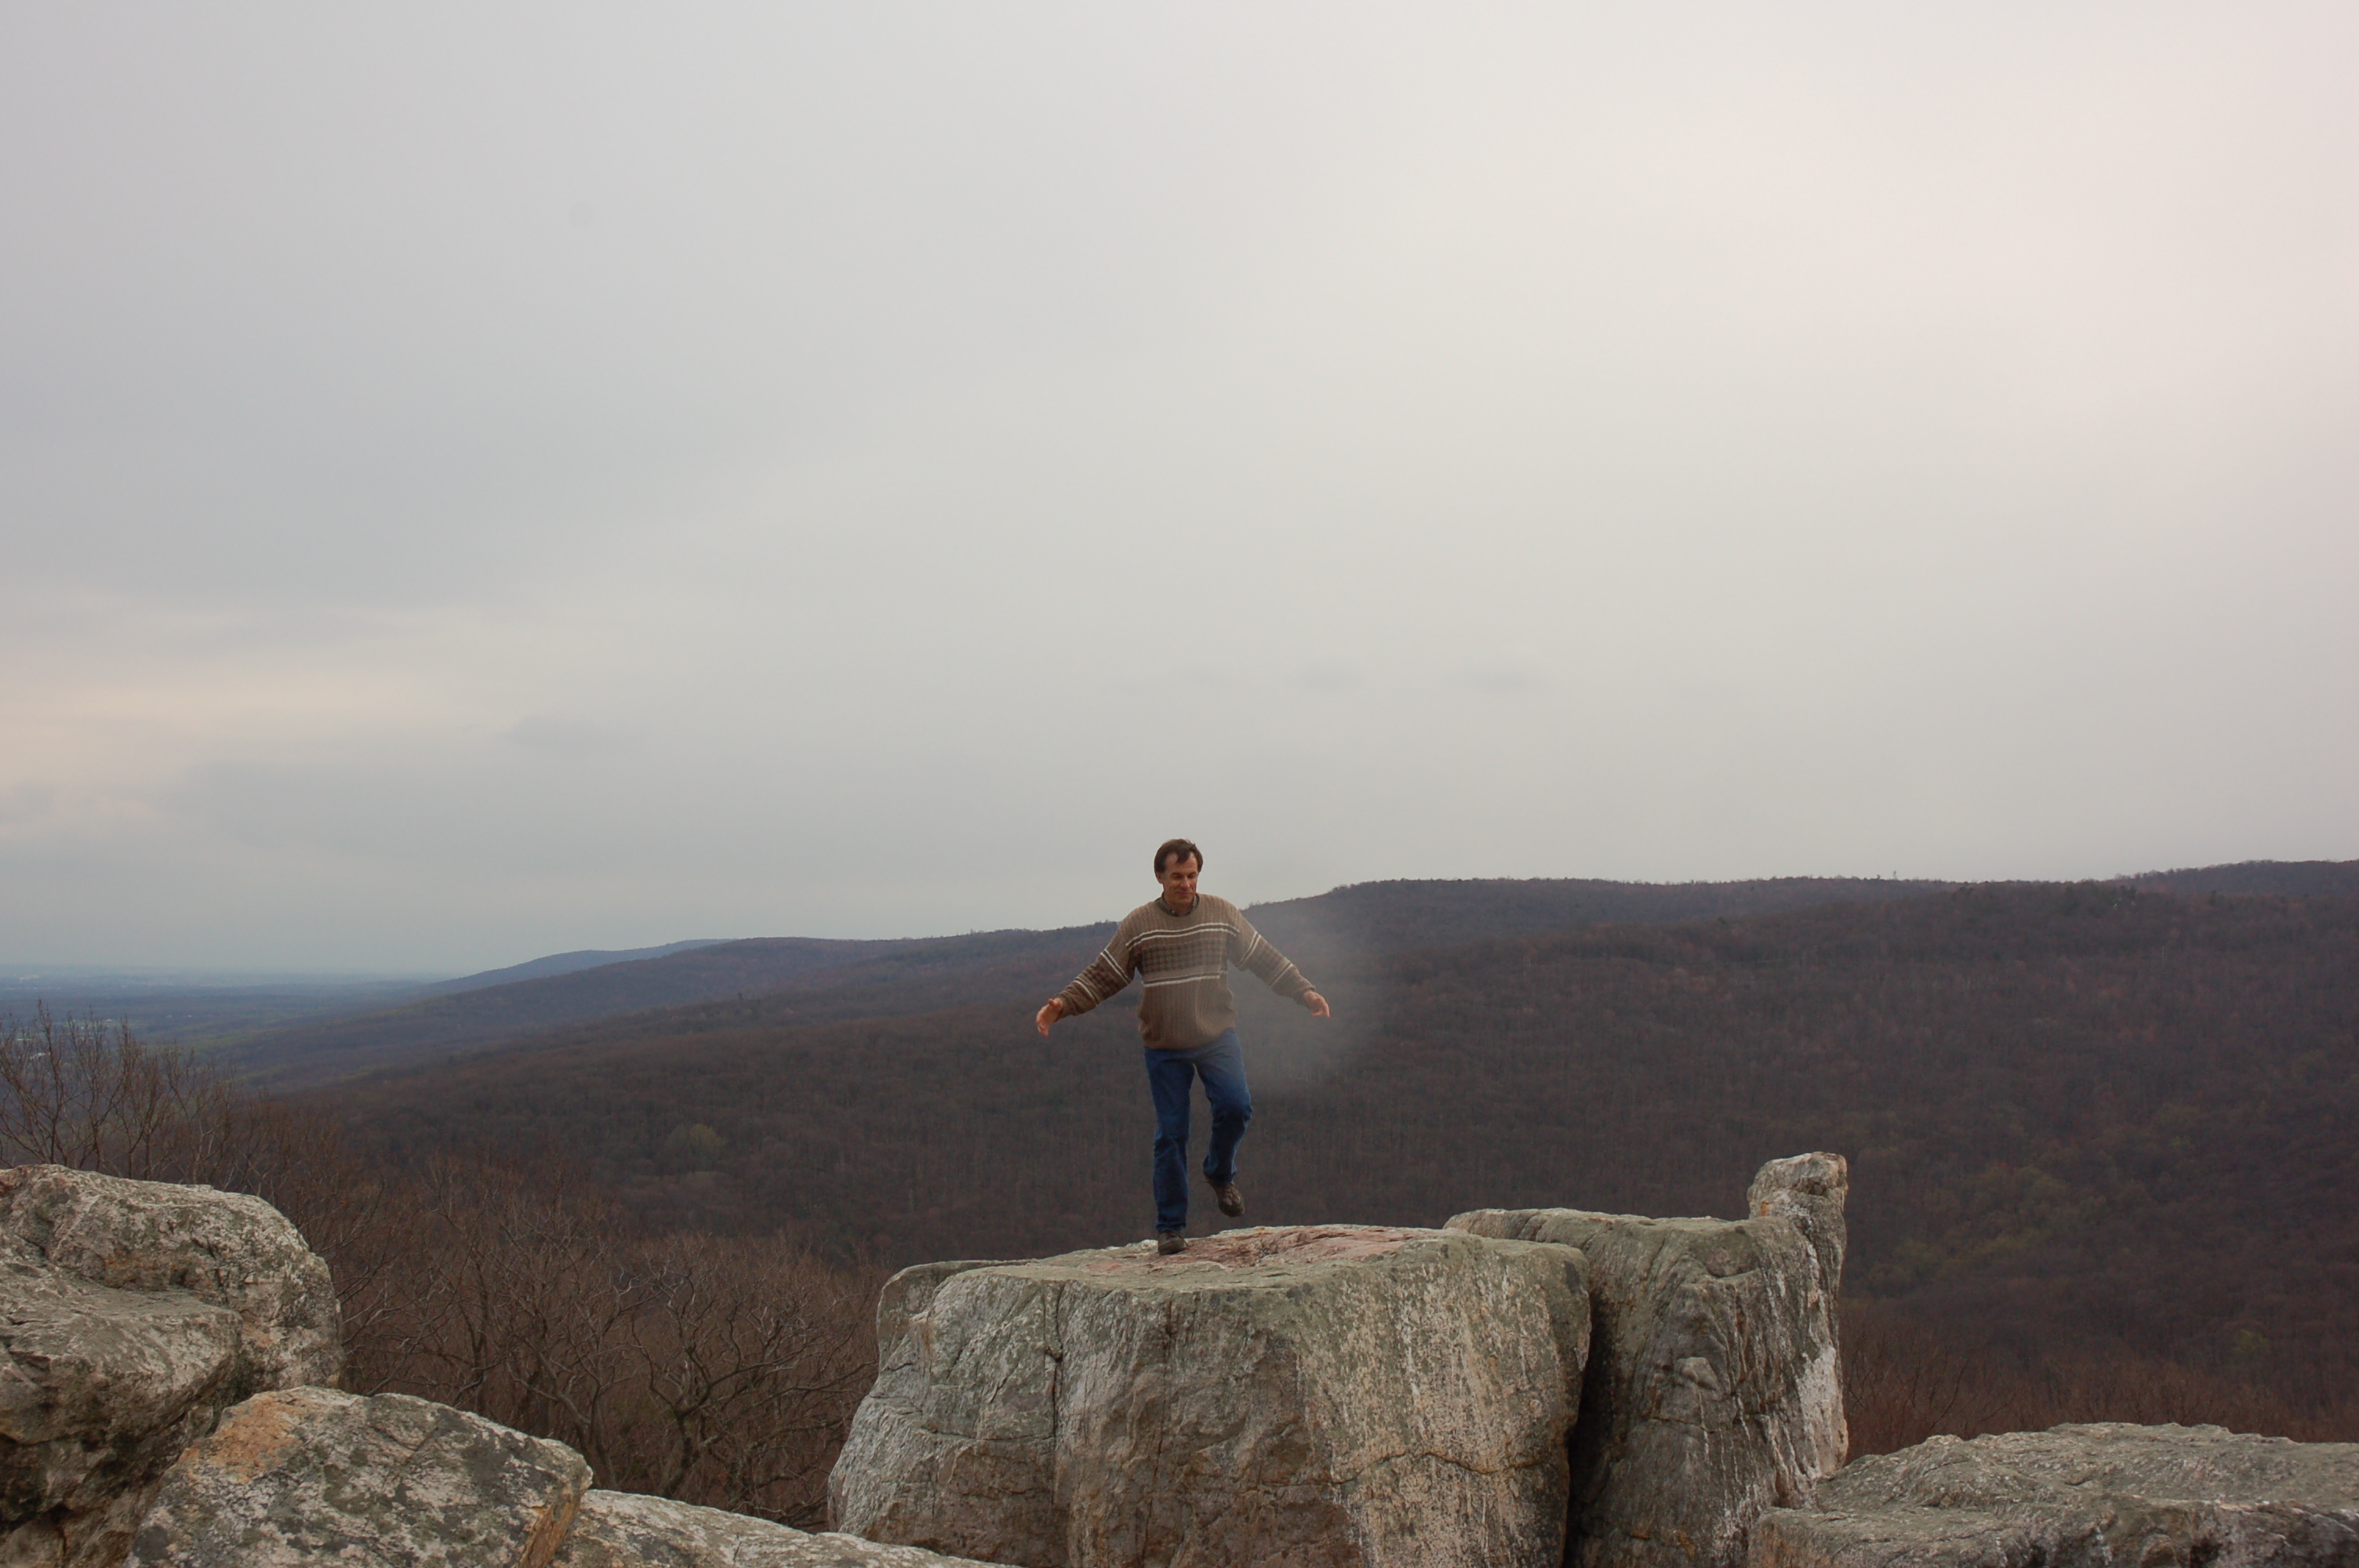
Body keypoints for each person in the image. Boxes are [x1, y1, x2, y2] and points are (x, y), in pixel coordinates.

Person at [1035, 838, 1330, 1255]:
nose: (1186, 884)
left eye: (1192, 876)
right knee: (1172, 1133)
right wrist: (1062, 1005)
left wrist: (1304, 992)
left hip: (1215, 1034)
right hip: (1165, 1044)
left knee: (1236, 1107)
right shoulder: (1140, 925)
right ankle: (1171, 1227)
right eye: (1177, 876)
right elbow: (1104, 974)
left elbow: (1262, 957)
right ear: (1160, 877)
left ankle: (1219, 1173)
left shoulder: (1221, 915)